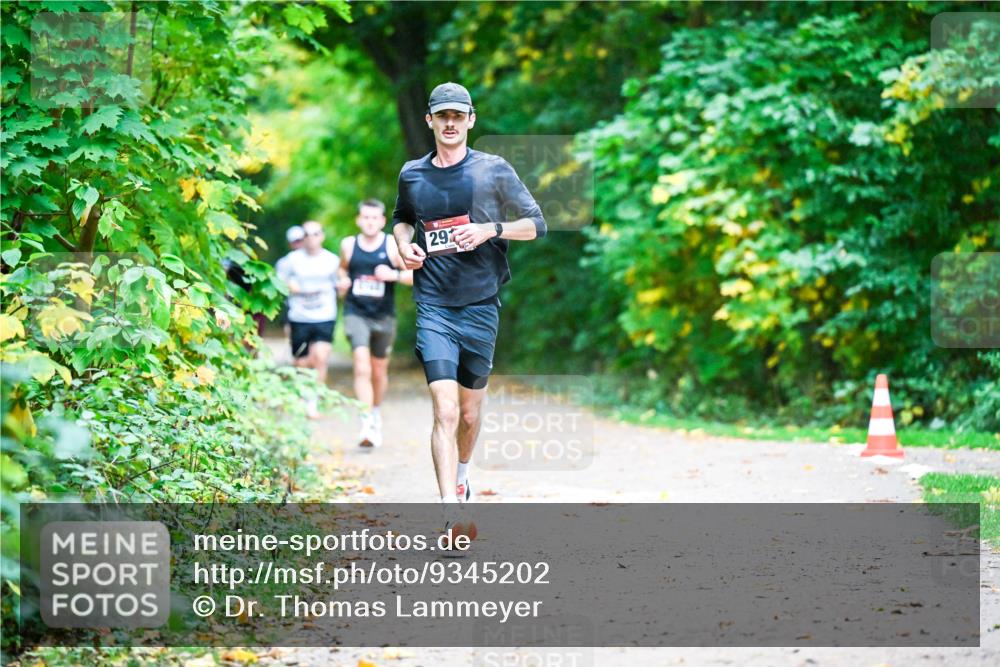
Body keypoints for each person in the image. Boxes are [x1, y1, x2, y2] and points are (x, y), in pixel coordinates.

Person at [391, 82, 546, 530]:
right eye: (443, 116)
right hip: (434, 304)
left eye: (459, 116)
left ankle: (461, 477)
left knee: (470, 413)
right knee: (444, 410)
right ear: (430, 121)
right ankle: (448, 512)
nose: (451, 123)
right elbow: (401, 219)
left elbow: (537, 225)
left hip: (480, 304)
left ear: (471, 120)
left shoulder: (493, 170)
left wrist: (489, 230)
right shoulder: (412, 174)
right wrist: (405, 247)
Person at [338, 199, 413, 449]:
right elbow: (342, 272)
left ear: (382, 221)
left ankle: (376, 411)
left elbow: (414, 275)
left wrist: (394, 275)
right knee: (361, 365)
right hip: (355, 312)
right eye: (365, 217)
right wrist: (342, 283)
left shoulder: (392, 245)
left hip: (383, 316)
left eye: (375, 218)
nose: (369, 222)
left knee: (378, 370)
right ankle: (366, 421)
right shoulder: (348, 245)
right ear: (359, 219)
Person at [275, 220, 339, 419]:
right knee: (301, 362)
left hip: (324, 315)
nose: (311, 238)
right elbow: (278, 283)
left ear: (322, 236)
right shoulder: (291, 260)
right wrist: (288, 286)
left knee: (321, 356)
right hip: (299, 316)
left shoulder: (332, 260)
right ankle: (303, 394)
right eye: (307, 234)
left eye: (315, 234)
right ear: (302, 238)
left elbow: (341, 283)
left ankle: (314, 399)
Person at [276, 225, 306, 339]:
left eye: (300, 240)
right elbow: (279, 283)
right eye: (296, 241)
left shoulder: (317, 258)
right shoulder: (285, 262)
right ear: (290, 244)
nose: (299, 244)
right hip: (293, 304)